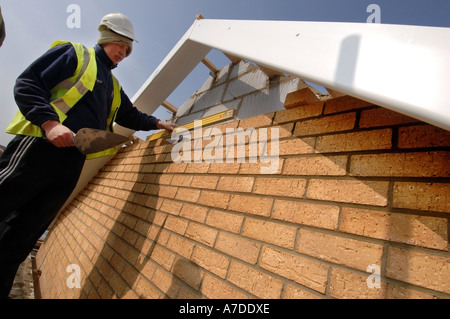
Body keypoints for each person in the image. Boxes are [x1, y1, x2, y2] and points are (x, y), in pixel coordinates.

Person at [0, 12, 177, 299]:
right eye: (121, 45)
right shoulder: (76, 54)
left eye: (128, 50)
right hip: (40, 145)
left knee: (24, 234)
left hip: (73, 161)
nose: (124, 53)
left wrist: (158, 123)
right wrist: (50, 123)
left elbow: (130, 115)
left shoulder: (113, 87)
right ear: (107, 37)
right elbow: (28, 83)